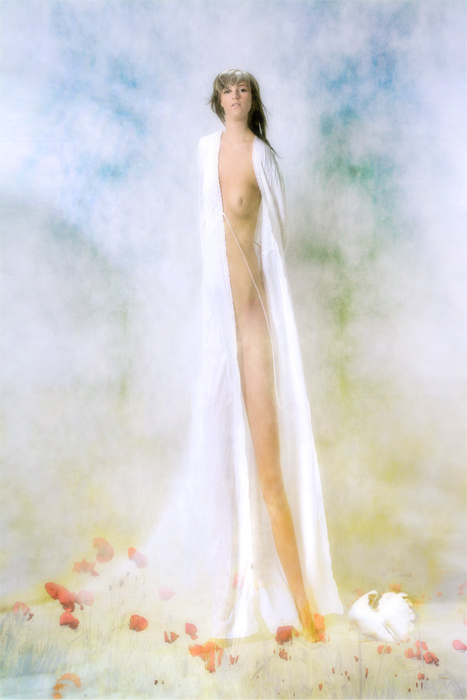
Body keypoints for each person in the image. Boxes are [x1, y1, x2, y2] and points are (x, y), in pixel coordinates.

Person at [195, 69, 343, 642]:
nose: (235, 95)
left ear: (252, 100)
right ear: (217, 100)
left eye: (244, 89)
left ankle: (304, 606)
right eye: (227, 88)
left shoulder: (262, 159)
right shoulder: (203, 153)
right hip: (217, 336)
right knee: (219, 476)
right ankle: (230, 599)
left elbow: (275, 245)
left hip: (254, 333)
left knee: (269, 475)